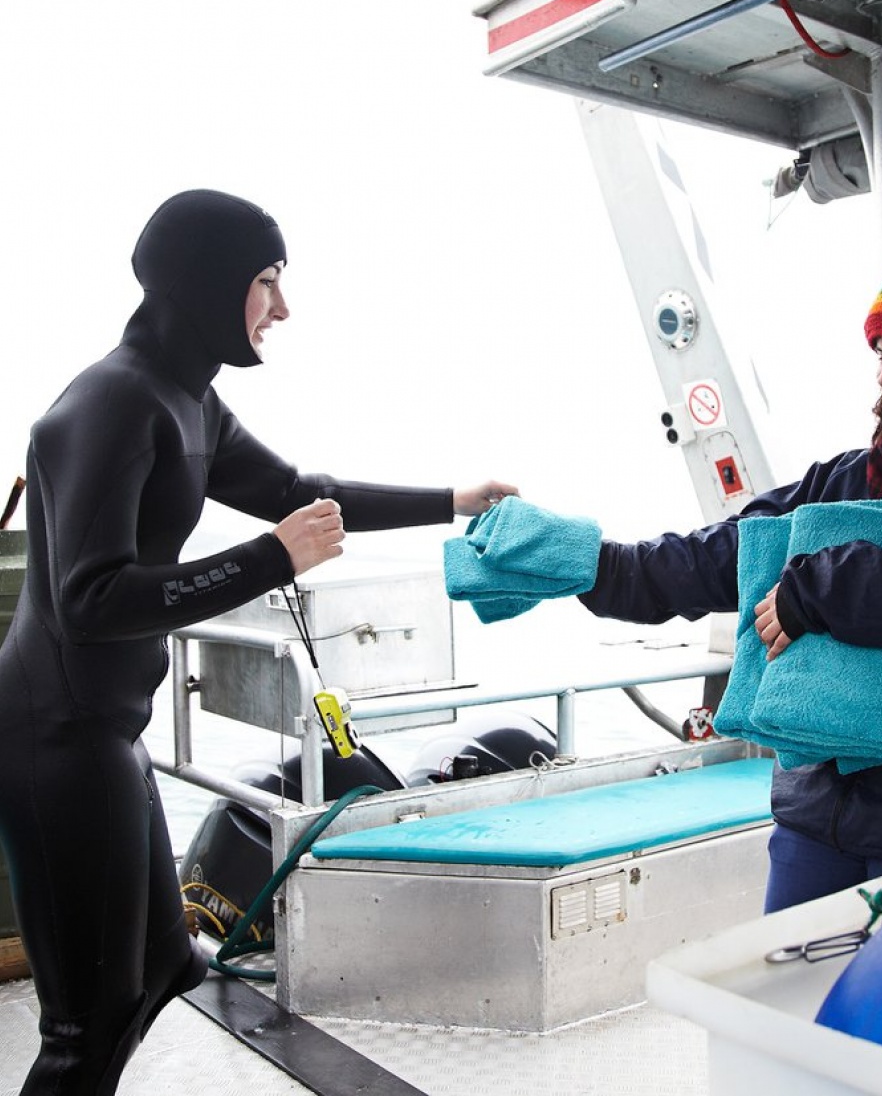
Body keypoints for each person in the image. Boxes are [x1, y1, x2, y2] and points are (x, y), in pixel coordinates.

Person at [0, 188, 517, 1095]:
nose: (283, 308)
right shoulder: (113, 404)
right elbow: (88, 601)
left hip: (105, 731)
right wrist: (270, 559)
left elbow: (300, 491)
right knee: (84, 1024)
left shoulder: (189, 400)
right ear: (208, 284)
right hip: (53, 742)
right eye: (268, 281)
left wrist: (455, 500)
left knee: (167, 968)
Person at [579, 217, 882, 914]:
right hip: (817, 814)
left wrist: (819, 586)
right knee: (784, 1010)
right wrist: (600, 569)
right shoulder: (841, 481)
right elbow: (725, 552)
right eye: (880, 353)